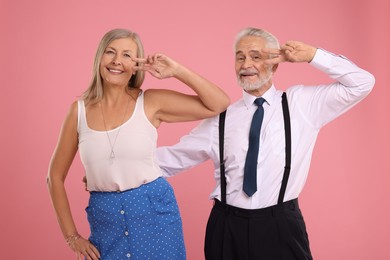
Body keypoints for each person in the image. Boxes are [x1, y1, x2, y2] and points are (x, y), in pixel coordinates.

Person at [156, 27, 375, 260]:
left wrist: (312, 55)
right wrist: (117, 161)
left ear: (275, 64)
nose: (245, 63)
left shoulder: (301, 104)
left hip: (281, 225)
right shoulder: (221, 118)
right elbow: (171, 159)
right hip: (227, 227)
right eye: (240, 57)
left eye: (256, 56)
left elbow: (362, 83)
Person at [47, 28, 230, 260]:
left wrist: (176, 71)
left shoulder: (151, 101)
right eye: (110, 52)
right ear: (99, 58)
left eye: (127, 55)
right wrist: (71, 237)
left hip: (156, 216)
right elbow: (54, 177)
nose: (116, 61)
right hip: (106, 221)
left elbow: (219, 104)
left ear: (137, 65)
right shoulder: (79, 111)